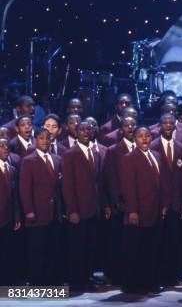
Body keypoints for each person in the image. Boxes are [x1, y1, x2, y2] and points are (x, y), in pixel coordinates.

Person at [120, 127, 168, 294]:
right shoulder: (129, 158)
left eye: (147, 135)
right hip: (139, 211)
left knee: (152, 249)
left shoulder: (157, 156)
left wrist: (163, 206)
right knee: (136, 250)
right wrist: (132, 210)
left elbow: (161, 183)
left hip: (154, 210)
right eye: (140, 136)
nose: (144, 139)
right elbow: (128, 187)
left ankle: (149, 282)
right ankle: (133, 284)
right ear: (135, 139)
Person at [61, 121, 106, 292]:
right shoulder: (70, 154)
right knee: (77, 248)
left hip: (93, 209)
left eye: (88, 129)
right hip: (78, 210)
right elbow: (68, 185)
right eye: (82, 129)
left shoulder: (95, 152)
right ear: (76, 132)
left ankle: (87, 278)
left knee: (90, 246)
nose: (86, 132)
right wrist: (72, 210)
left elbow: (98, 183)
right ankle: (77, 281)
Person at [19, 127, 62, 285]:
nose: (45, 141)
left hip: (55, 213)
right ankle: (37, 282)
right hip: (37, 213)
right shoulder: (29, 161)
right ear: (36, 140)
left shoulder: (57, 159)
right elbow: (24, 188)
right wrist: (29, 211)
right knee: (37, 250)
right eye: (41, 138)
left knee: (53, 249)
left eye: (47, 138)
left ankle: (50, 281)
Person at [150, 113, 182, 286]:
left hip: (176, 203)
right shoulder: (152, 147)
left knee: (175, 241)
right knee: (158, 242)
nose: (168, 126)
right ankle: (159, 276)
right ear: (159, 126)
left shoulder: (181, 148)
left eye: (171, 123)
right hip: (158, 204)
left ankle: (173, 276)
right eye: (165, 123)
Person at [101, 116, 136, 284]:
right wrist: (118, 201)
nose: (130, 128)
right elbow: (111, 178)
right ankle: (121, 277)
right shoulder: (114, 150)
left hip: (140, 204)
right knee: (121, 243)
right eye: (126, 125)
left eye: (132, 125)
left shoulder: (143, 147)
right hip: (121, 205)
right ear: (121, 129)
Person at [0, 137, 21, 285]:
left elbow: (15, 197)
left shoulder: (12, 170)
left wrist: (17, 217)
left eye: (6, 146)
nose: (5, 148)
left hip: (8, 218)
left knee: (7, 251)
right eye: (1, 146)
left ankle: (7, 281)